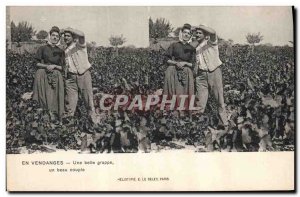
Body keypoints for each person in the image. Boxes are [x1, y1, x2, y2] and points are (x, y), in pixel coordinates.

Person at [194, 24, 228, 128]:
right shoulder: (197, 47)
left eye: (200, 33)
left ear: (205, 35)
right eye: (196, 33)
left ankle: (224, 124)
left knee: (219, 100)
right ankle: (198, 127)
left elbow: (213, 32)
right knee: (200, 102)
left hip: (214, 73)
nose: (197, 34)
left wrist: (199, 26)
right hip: (201, 76)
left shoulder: (212, 43)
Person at [60, 27, 96, 122]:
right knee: (70, 104)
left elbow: (82, 34)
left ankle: (93, 123)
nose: (66, 38)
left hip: (83, 76)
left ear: (73, 37)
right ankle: (69, 126)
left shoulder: (80, 45)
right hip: (71, 78)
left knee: (88, 101)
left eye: (68, 36)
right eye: (65, 36)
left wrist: (69, 29)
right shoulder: (65, 50)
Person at [32, 26, 65, 119]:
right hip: (43, 75)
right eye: (53, 35)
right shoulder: (42, 48)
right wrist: (46, 66)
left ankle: (54, 116)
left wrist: (54, 66)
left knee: (53, 97)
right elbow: (36, 63)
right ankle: (42, 115)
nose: (55, 37)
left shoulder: (61, 51)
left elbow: (63, 67)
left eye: (57, 36)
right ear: (50, 36)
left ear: (59, 38)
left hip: (56, 75)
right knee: (42, 96)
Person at [163, 23, 195, 109]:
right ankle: (172, 110)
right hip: (173, 70)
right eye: (185, 32)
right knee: (172, 91)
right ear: (181, 33)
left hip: (186, 71)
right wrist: (175, 63)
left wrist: (185, 63)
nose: (186, 35)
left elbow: (194, 63)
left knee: (184, 93)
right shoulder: (174, 45)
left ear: (190, 36)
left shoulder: (192, 48)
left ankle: (185, 111)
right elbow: (166, 59)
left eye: (188, 33)